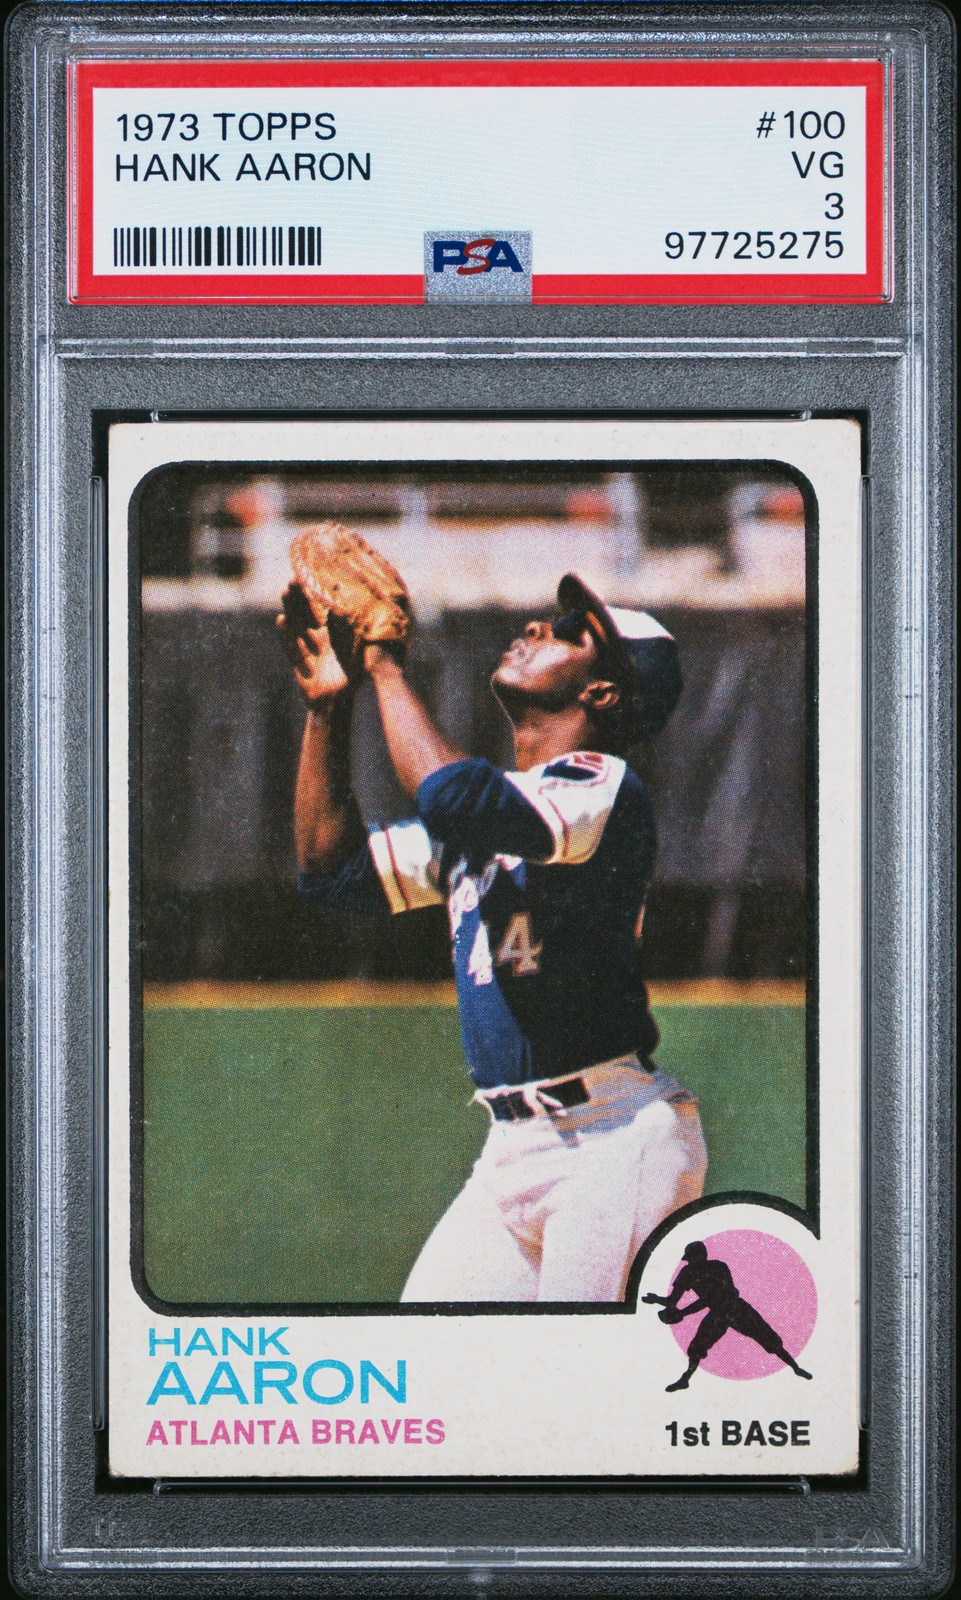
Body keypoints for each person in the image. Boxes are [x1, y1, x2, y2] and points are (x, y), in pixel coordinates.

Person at [277, 572, 707, 1303]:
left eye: (572, 633)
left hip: (611, 1139)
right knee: (430, 1357)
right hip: (510, 1148)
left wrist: (384, 666)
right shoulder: (506, 812)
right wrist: (328, 708)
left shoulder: (602, 786)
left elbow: (454, 798)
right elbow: (335, 873)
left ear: (602, 694)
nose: (540, 626)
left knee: (579, 1370)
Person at [642, 1240, 814, 1390]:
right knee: (696, 1347)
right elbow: (672, 1300)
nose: (692, 1262)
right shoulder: (687, 1273)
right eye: (690, 1259)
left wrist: (683, 1313)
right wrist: (656, 1299)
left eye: (694, 1257)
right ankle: (685, 1379)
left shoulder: (719, 1267)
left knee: (768, 1338)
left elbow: (712, 1298)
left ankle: (796, 1367)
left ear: (703, 1255)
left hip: (735, 1308)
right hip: (717, 1313)